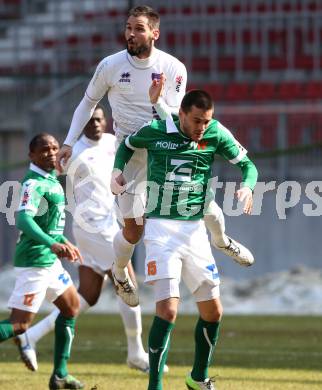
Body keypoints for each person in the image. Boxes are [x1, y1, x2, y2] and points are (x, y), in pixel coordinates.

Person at [56, 5, 253, 308]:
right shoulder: (110, 65)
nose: (131, 34)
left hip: (165, 149)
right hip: (129, 153)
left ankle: (222, 241)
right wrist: (69, 141)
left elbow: (178, 119)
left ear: (154, 33)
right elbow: (87, 102)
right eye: (128, 28)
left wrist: (158, 100)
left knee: (202, 204)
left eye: (138, 28)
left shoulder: (173, 68)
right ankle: (120, 273)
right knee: (133, 230)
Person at [111, 90, 258, 390]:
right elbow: (126, 146)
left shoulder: (215, 133)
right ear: (181, 114)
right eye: (196, 121)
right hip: (161, 230)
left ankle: (198, 378)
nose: (202, 127)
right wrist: (117, 171)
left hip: (195, 232)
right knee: (168, 310)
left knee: (213, 312)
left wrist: (249, 187)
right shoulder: (155, 131)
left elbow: (248, 165)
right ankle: (155, 386)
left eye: (206, 121)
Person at [15, 106, 157, 373]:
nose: (95, 123)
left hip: (108, 222)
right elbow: (46, 175)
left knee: (86, 296)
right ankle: (136, 353)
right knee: (127, 282)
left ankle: (30, 335)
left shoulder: (113, 142)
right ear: (81, 124)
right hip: (91, 226)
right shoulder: (73, 152)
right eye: (89, 119)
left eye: (99, 118)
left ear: (106, 121)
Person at [0, 133, 84, 389]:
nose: (51, 152)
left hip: (49, 261)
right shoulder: (33, 183)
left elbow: (47, 225)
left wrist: (63, 241)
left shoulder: (51, 180)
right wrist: (51, 243)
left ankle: (60, 374)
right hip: (36, 261)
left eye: (55, 148)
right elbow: (24, 219)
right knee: (19, 324)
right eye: (44, 149)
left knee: (70, 306)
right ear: (32, 155)